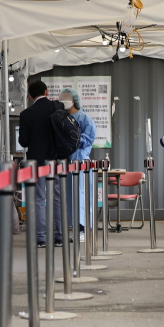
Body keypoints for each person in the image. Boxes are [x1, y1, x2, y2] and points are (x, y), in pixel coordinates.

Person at [18, 80, 62, 247]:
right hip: (57, 160)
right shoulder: (58, 108)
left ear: (30, 96)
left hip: (37, 161)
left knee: (39, 198)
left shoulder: (26, 114)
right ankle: (60, 236)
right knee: (58, 197)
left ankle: (41, 238)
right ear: (47, 92)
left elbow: (23, 142)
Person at [59, 88, 96, 242]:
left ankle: (82, 229)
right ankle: (74, 227)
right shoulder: (63, 117)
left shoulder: (85, 118)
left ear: (73, 100)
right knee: (69, 196)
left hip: (80, 161)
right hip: (67, 162)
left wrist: (73, 139)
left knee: (80, 195)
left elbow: (88, 138)